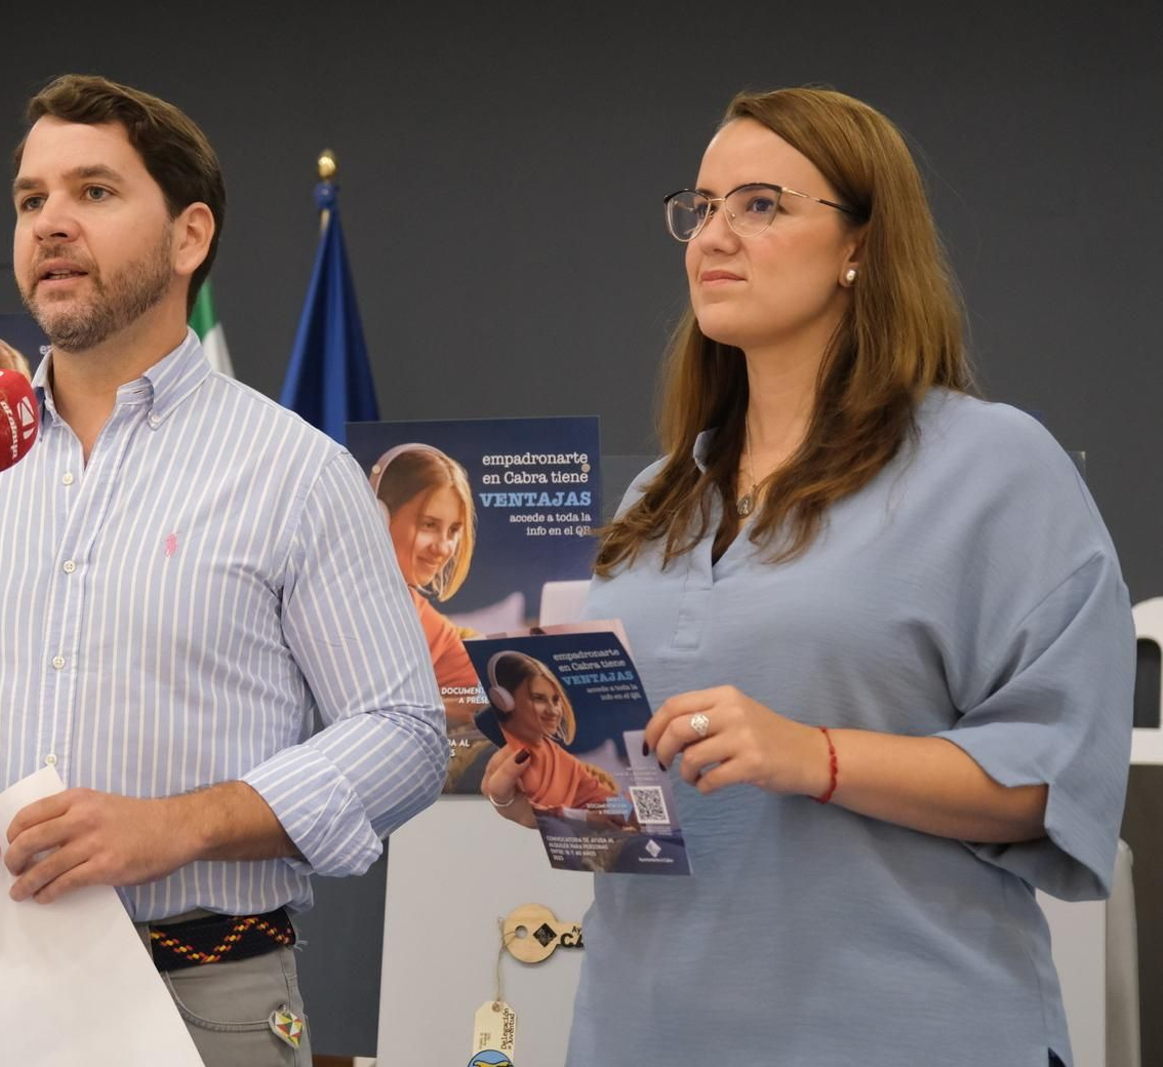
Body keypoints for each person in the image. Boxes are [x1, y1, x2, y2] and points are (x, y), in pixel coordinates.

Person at [482, 87, 1131, 1067]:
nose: (711, 236)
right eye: (698, 208)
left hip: (906, 1033)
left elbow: (1053, 775)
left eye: (759, 204)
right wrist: (558, 785)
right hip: (640, 1032)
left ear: (859, 246)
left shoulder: (992, 464)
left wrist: (811, 754)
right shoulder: (658, 494)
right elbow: (639, 785)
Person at [0, 73, 446, 1067]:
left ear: (190, 236)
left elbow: (404, 734)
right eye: (31, 200)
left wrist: (184, 824)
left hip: (204, 995)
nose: (50, 223)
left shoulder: (296, 473)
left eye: (94, 192)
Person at [369, 443, 482, 728]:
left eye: (454, 530)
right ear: (378, 518)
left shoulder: (419, 615)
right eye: (429, 524)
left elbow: (479, 711)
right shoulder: (347, 599)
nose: (444, 548)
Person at [482, 651, 616, 810]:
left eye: (556, 699)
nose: (553, 711)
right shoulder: (492, 754)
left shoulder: (565, 761)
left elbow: (605, 800)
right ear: (504, 701)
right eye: (538, 698)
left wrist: (631, 810)